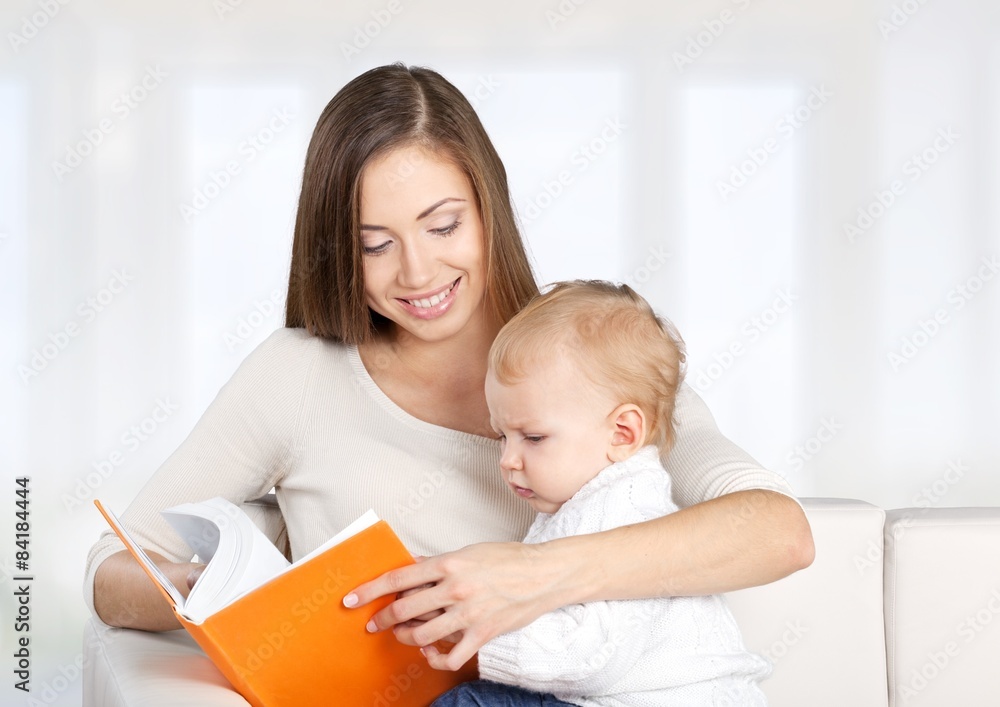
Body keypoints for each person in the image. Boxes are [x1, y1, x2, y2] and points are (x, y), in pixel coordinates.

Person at [84, 63, 814, 675]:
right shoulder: (297, 378)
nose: (418, 271)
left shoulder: (595, 352)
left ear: (487, 207)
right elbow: (112, 570)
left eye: (443, 225)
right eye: (375, 244)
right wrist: (217, 590)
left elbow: (777, 531)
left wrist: (526, 577)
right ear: (338, 248)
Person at [432, 280, 770, 706]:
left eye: (532, 438)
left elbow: (592, 657)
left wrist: (476, 638)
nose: (507, 459)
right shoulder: (580, 502)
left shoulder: (624, 508)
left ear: (622, 433)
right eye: (502, 436)